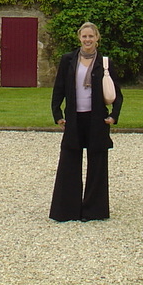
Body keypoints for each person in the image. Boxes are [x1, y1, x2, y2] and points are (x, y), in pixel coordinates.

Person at [49, 22, 123, 222]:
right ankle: (66, 210)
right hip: (74, 118)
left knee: (97, 164)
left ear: (97, 38)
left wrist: (113, 115)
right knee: (69, 163)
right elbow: (59, 89)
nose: (88, 40)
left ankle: (94, 211)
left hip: (96, 118)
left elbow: (117, 93)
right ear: (79, 38)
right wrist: (57, 114)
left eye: (91, 36)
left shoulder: (104, 62)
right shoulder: (68, 60)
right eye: (84, 37)